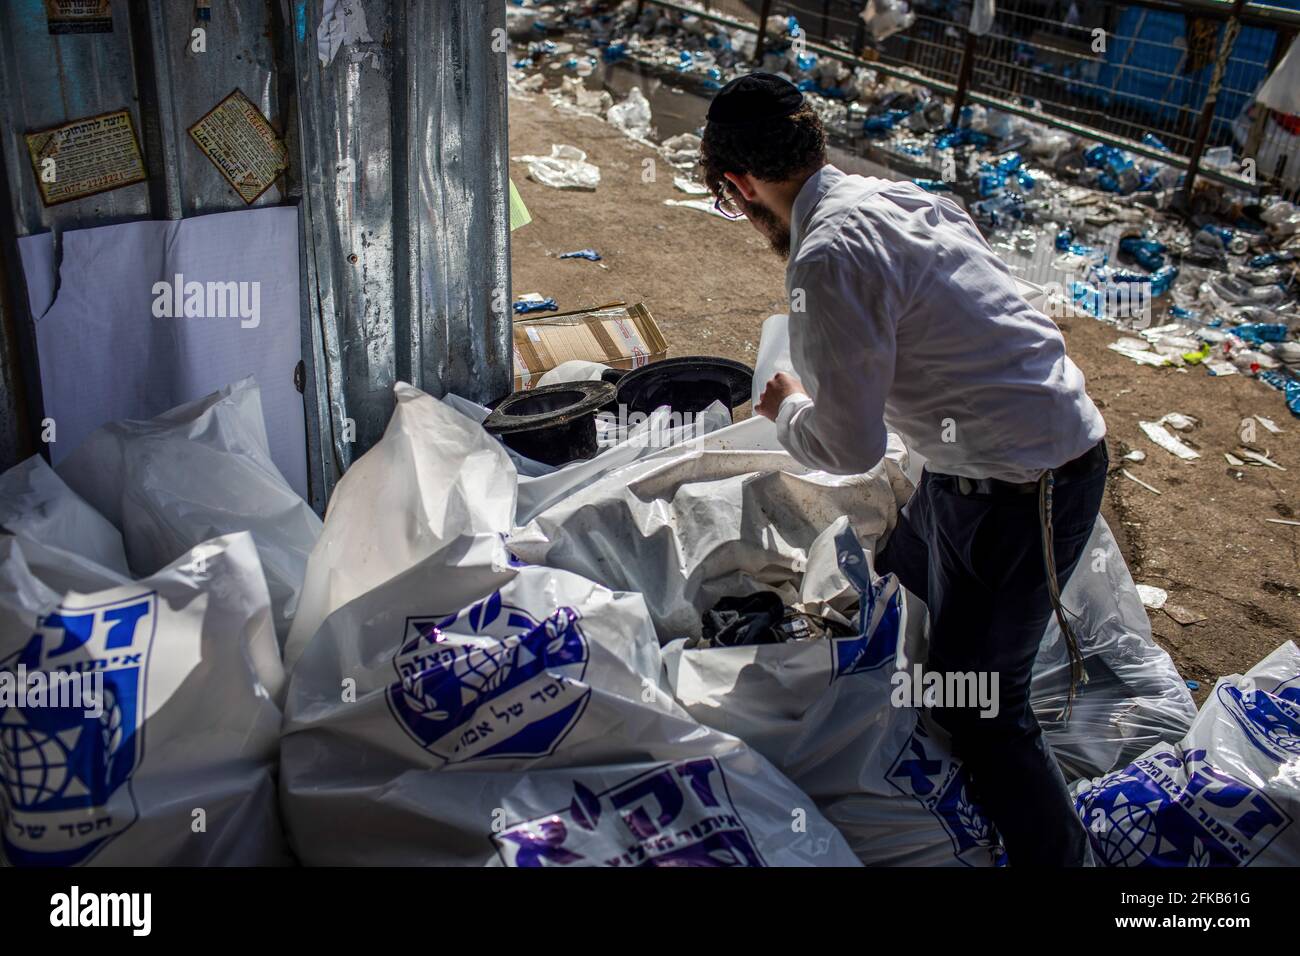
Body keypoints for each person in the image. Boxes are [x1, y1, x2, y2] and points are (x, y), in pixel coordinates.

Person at [701, 72, 1108, 866]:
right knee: (904, 568)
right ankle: (909, 751)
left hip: (1030, 484)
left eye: (729, 202)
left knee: (984, 708)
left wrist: (786, 406)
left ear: (739, 184)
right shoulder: (902, 199)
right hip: (978, 465)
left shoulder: (824, 256)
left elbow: (848, 448)